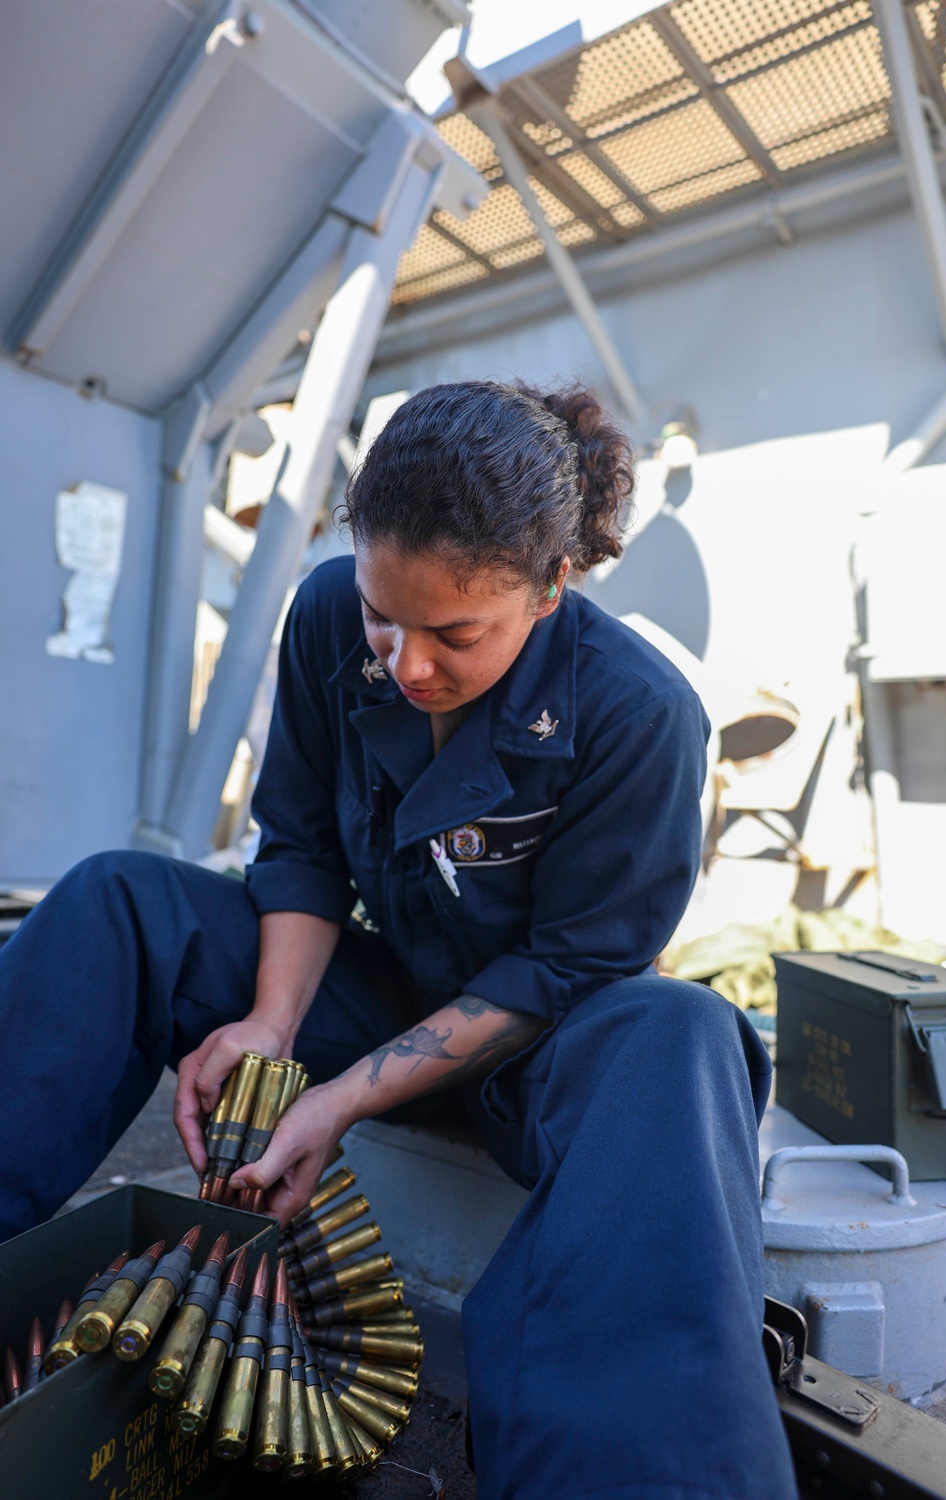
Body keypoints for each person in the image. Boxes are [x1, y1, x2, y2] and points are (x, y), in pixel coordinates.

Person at [0, 380, 797, 1499]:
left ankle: (630, 1469)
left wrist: (338, 1100)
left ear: (554, 585)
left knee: (680, 1029)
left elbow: (569, 966)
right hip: (373, 991)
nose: (406, 663)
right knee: (119, 899)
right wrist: (272, 1029)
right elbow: (301, 848)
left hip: (543, 1052)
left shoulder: (640, 714)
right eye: (387, 616)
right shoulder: (329, 616)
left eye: (456, 633)